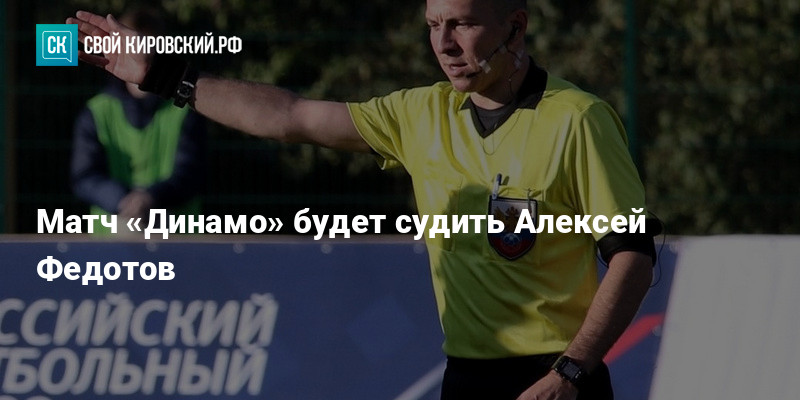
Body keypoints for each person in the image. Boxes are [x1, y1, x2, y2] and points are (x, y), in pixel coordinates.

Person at [69, 0, 657, 398]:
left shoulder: (578, 119)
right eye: (433, 24)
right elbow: (291, 117)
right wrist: (168, 77)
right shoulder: (419, 114)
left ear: (516, 27)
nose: (444, 43)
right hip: (466, 378)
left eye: (462, 24)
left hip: (556, 375)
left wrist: (571, 372)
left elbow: (633, 254)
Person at [70, 8, 206, 234]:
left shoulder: (186, 109)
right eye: (133, 50)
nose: (140, 59)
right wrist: (124, 201)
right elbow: (85, 176)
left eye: (147, 51)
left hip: (175, 237)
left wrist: (151, 198)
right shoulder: (96, 112)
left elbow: (191, 174)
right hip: (111, 238)